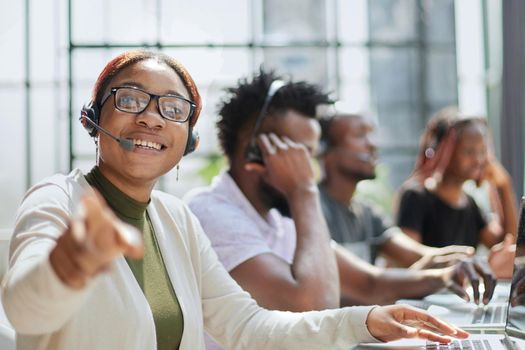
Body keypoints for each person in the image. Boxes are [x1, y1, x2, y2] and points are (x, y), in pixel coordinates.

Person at [0, 50, 468, 350]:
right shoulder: (56, 200)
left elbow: (248, 327)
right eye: (129, 100)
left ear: (189, 140)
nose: (150, 118)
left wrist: (364, 322)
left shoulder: (175, 219)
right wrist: (71, 263)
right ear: (92, 118)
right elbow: (24, 310)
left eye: (172, 109)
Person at [186, 70, 489, 349]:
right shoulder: (213, 214)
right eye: (303, 153)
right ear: (256, 151)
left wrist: (448, 275)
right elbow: (313, 306)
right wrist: (304, 192)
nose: (313, 168)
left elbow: (370, 284)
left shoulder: (278, 219)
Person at [317, 111, 476, 268]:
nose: (373, 144)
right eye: (359, 135)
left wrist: (466, 260)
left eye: (372, 134)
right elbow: (366, 283)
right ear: (324, 151)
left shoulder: (368, 214)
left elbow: (418, 255)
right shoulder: (313, 211)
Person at [396, 108, 517, 251]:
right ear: (442, 151)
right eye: (469, 151)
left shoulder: (470, 204)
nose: (478, 160)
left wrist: (503, 186)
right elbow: (409, 257)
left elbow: (507, 245)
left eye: (483, 151)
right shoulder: (416, 197)